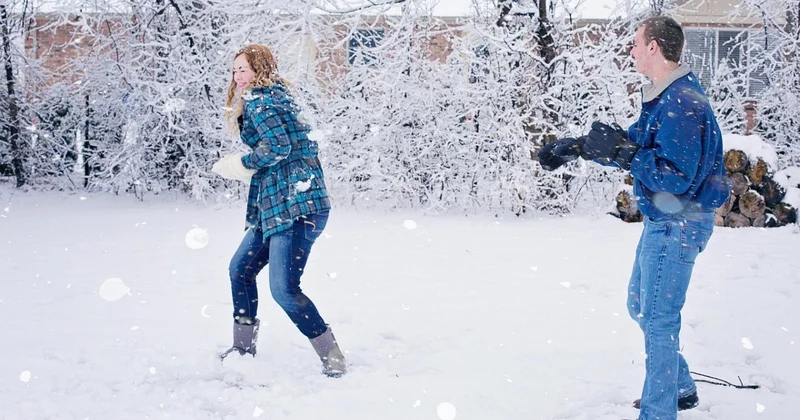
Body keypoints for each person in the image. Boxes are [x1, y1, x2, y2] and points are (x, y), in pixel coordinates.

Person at [538, 16, 731, 420]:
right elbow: (636, 145)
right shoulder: (666, 95)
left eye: (635, 43)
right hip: (666, 221)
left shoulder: (680, 102)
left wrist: (626, 155)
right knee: (641, 304)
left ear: (654, 48)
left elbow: (674, 178)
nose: (630, 50)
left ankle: (659, 413)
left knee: (659, 319)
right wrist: (578, 147)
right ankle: (679, 387)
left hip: (678, 222)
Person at [211, 44, 346, 378]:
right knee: (240, 269)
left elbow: (279, 147)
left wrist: (241, 164)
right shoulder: (278, 96)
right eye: (234, 70)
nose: (237, 77)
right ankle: (242, 349)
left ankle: (332, 356)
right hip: (281, 206)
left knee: (284, 289)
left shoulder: (262, 98)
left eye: (243, 69)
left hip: (296, 206)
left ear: (260, 69)